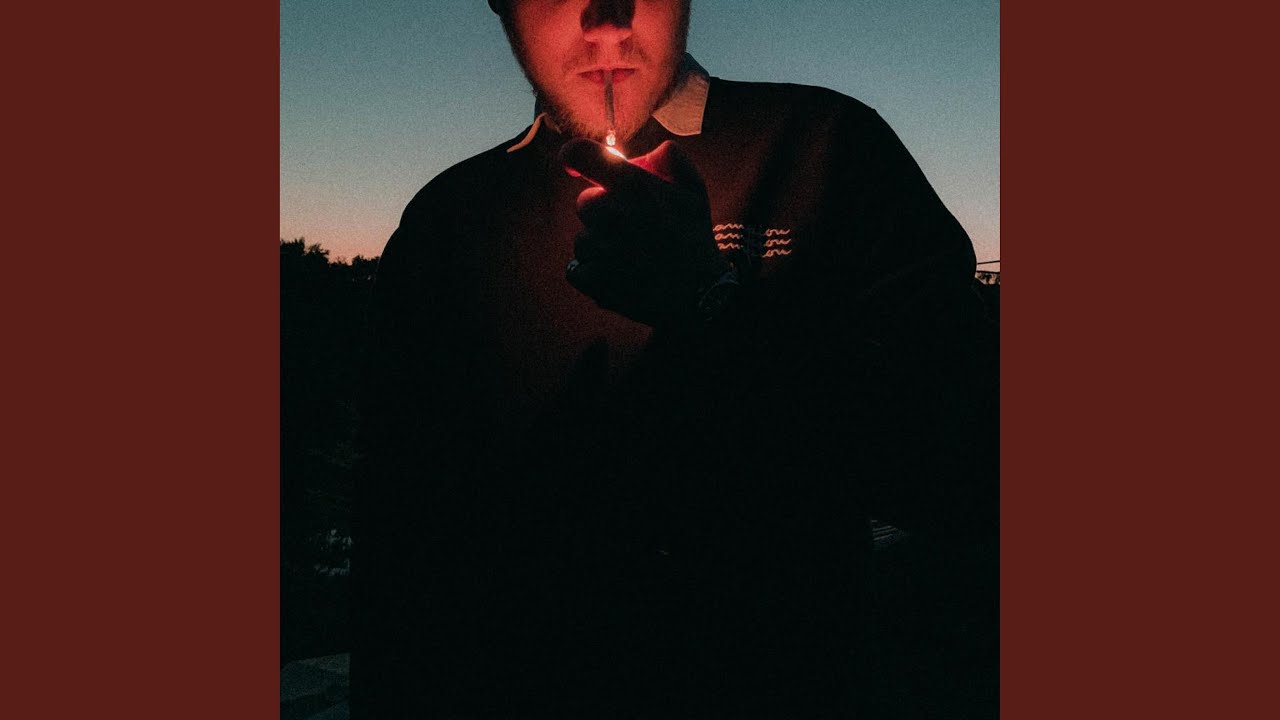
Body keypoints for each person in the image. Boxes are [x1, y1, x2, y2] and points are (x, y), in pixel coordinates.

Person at [352, 0, 998, 717]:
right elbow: (399, 527)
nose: (605, 19)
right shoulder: (449, 216)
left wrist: (711, 303)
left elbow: (964, 465)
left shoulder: (823, 145)